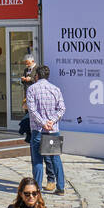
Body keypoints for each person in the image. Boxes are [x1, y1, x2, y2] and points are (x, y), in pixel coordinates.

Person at [25, 64, 66, 195]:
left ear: (37, 75)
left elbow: (32, 110)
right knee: (55, 158)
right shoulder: (55, 89)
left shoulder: (32, 89)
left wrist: (43, 123)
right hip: (52, 130)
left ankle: (36, 188)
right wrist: (51, 121)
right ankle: (60, 187)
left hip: (38, 129)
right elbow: (62, 109)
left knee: (37, 160)